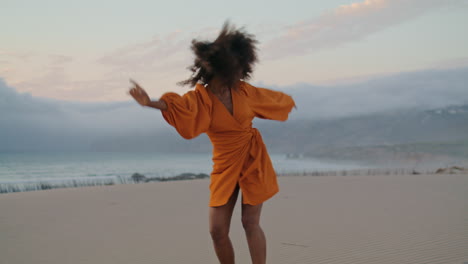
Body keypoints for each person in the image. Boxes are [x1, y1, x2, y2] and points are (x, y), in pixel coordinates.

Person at [128, 22, 295, 264]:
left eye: (241, 67)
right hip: (225, 165)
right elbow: (178, 107)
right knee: (217, 231)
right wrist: (149, 103)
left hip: (253, 159)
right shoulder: (200, 99)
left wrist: (288, 103)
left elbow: (273, 100)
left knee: (250, 223)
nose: (240, 73)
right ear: (219, 67)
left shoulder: (245, 92)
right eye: (235, 68)